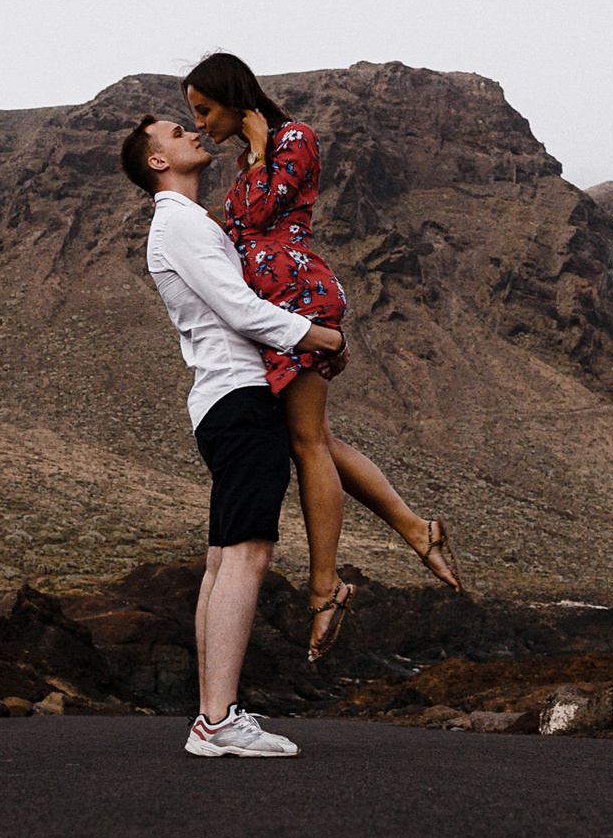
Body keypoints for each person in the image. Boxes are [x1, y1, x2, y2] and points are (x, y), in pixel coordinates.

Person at [180, 52, 461, 663]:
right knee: (312, 439)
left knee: (307, 441)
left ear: (232, 96)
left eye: (203, 110)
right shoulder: (250, 155)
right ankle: (416, 529)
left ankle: (326, 585)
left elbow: (257, 216)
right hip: (276, 313)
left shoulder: (292, 138)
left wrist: (257, 153)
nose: (200, 125)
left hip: (296, 300)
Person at [121, 112, 348, 758]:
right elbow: (239, 309)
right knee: (247, 554)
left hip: (222, 400)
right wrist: (319, 336)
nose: (192, 133)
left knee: (224, 558)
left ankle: (209, 716)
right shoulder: (181, 225)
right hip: (238, 398)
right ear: (157, 162)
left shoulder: (185, 225)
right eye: (175, 133)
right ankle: (219, 720)